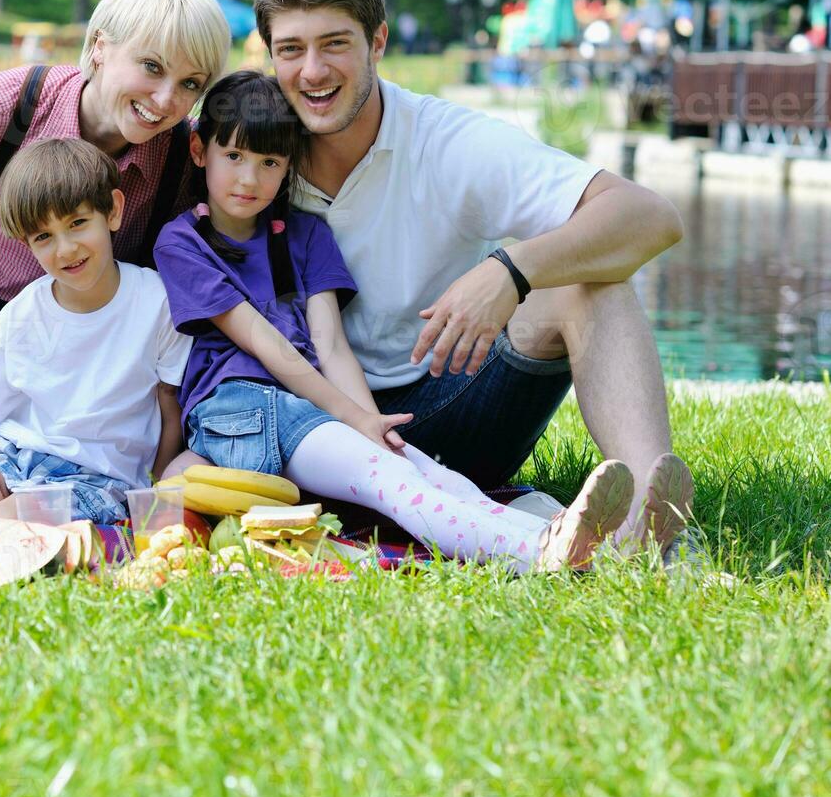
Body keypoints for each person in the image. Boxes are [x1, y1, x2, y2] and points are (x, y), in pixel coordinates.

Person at [249, 0, 693, 559]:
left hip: (453, 400)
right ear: (269, 55)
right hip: (313, 428)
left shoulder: (448, 141)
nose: (313, 71)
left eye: (335, 44)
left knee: (588, 282)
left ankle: (655, 518)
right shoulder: (248, 153)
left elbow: (651, 217)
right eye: (291, 50)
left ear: (377, 42)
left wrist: (512, 271)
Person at [154, 71, 644, 572]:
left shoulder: (305, 235)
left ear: (289, 166)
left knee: (421, 471)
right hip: (240, 408)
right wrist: (355, 420)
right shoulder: (182, 242)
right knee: (392, 482)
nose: (248, 179)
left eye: (269, 162)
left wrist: (373, 425)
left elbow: (331, 344)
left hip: (306, 408)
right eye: (232, 157)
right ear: (199, 151)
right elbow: (266, 343)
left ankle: (578, 542)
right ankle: (536, 555)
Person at [0, 0, 230, 472]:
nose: (167, 101)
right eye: (152, 67)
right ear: (99, 45)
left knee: (71, 474)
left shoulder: (185, 157)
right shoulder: (0, 108)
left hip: (91, 325)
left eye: (190, 83)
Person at [0, 138, 192, 526]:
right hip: (12, 462)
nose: (66, 248)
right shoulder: (21, 314)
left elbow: (169, 410)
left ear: (113, 211)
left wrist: (153, 494)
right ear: (27, 245)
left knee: (4, 518)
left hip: (96, 480)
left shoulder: (157, 302)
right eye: (44, 237)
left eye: (77, 224)